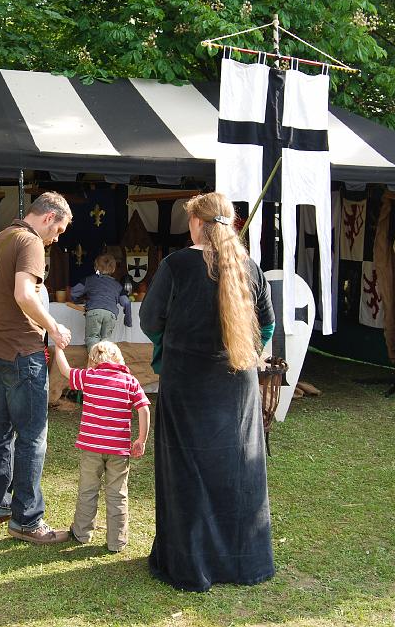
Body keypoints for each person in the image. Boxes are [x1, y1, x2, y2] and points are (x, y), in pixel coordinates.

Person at [139, 192, 276, 592]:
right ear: (230, 223)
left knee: (188, 471)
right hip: (238, 386)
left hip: (187, 382)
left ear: (196, 223)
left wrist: (168, 349)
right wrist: (245, 354)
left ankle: (190, 562)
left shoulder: (176, 265)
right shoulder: (249, 266)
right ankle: (241, 562)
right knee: (238, 469)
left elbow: (150, 320)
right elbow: (266, 326)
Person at [0, 192, 74, 544]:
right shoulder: (31, 242)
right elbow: (24, 293)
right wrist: (53, 325)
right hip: (22, 350)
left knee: (2, 429)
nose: (57, 238)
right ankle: (27, 520)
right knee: (32, 437)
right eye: (60, 229)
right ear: (49, 217)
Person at [51, 341, 150, 553]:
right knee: (117, 495)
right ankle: (117, 541)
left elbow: (66, 371)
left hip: (91, 447)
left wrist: (59, 348)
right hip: (119, 450)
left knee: (87, 490)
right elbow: (144, 409)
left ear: (93, 360)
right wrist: (141, 439)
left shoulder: (89, 378)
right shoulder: (129, 381)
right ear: (118, 358)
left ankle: (82, 533)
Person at [70, 253, 132, 350]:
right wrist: (128, 321)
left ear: (95, 268)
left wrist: (77, 301)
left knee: (92, 339)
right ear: (114, 269)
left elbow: (73, 292)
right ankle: (104, 363)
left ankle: (94, 361)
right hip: (111, 314)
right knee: (106, 341)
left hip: (93, 312)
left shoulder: (89, 280)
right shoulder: (117, 285)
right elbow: (127, 302)